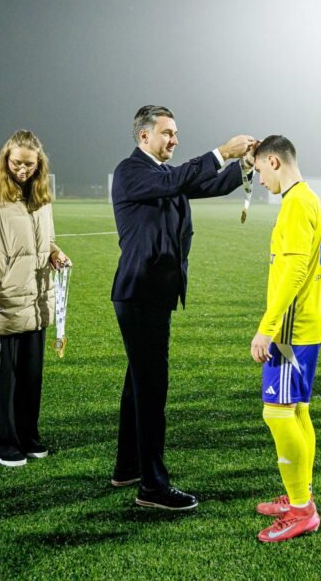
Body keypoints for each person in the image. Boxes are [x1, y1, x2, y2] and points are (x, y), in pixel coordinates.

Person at [110, 105, 254, 511]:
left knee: (138, 385)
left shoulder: (161, 175)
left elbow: (205, 183)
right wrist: (222, 151)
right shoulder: (131, 170)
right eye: (167, 133)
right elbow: (180, 178)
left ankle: (128, 467)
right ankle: (152, 487)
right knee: (151, 390)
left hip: (151, 294)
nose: (174, 139)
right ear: (144, 136)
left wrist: (243, 166)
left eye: (175, 133)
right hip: (140, 293)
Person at [0, 130, 69, 468]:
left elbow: (42, 240)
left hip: (37, 303)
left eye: (29, 165)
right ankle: (4, 443)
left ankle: (28, 436)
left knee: (30, 379)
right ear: (5, 159)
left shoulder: (40, 195)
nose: (22, 170)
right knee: (4, 382)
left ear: (39, 164)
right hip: (4, 304)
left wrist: (54, 253)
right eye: (16, 163)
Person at [249, 135, 321, 543]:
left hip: (291, 331)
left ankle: (301, 509)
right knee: (297, 411)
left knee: (277, 413)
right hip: (305, 324)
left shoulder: (296, 203)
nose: (259, 179)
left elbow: (294, 272)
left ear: (274, 161)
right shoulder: (305, 198)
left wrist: (268, 326)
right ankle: (301, 493)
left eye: (259, 169)